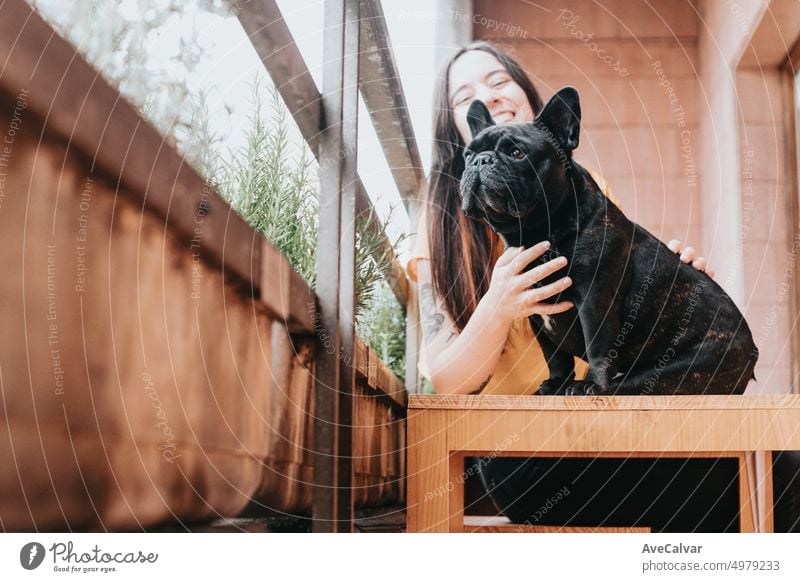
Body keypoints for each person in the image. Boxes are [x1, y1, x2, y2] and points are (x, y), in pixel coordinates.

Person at [406, 40, 800, 532]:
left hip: (609, 414)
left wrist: (677, 286)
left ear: (533, 104)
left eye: (499, 80)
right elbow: (444, 379)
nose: (488, 94)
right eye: (464, 95)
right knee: (765, 480)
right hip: (520, 445)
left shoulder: (585, 193)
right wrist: (499, 304)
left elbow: (621, 307)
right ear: (457, 131)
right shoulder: (441, 224)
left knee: (770, 464)